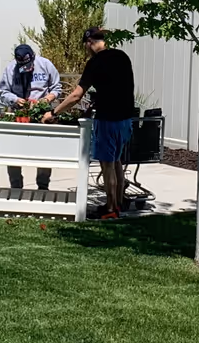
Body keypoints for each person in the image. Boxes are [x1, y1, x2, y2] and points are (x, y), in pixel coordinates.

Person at [47, 26, 136, 218]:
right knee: (117, 161)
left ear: (89, 42)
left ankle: (111, 209)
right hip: (127, 119)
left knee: (107, 165)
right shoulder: (122, 56)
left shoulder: (95, 62)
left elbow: (76, 95)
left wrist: (53, 112)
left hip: (107, 119)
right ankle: (119, 203)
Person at [0, 42, 60, 192]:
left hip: (42, 116)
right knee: (12, 153)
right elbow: (2, 92)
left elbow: (57, 88)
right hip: (19, 116)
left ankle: (43, 187)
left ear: (33, 57)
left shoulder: (45, 65)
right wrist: (15, 99)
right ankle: (16, 187)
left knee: (44, 153)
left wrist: (47, 99)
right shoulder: (10, 69)